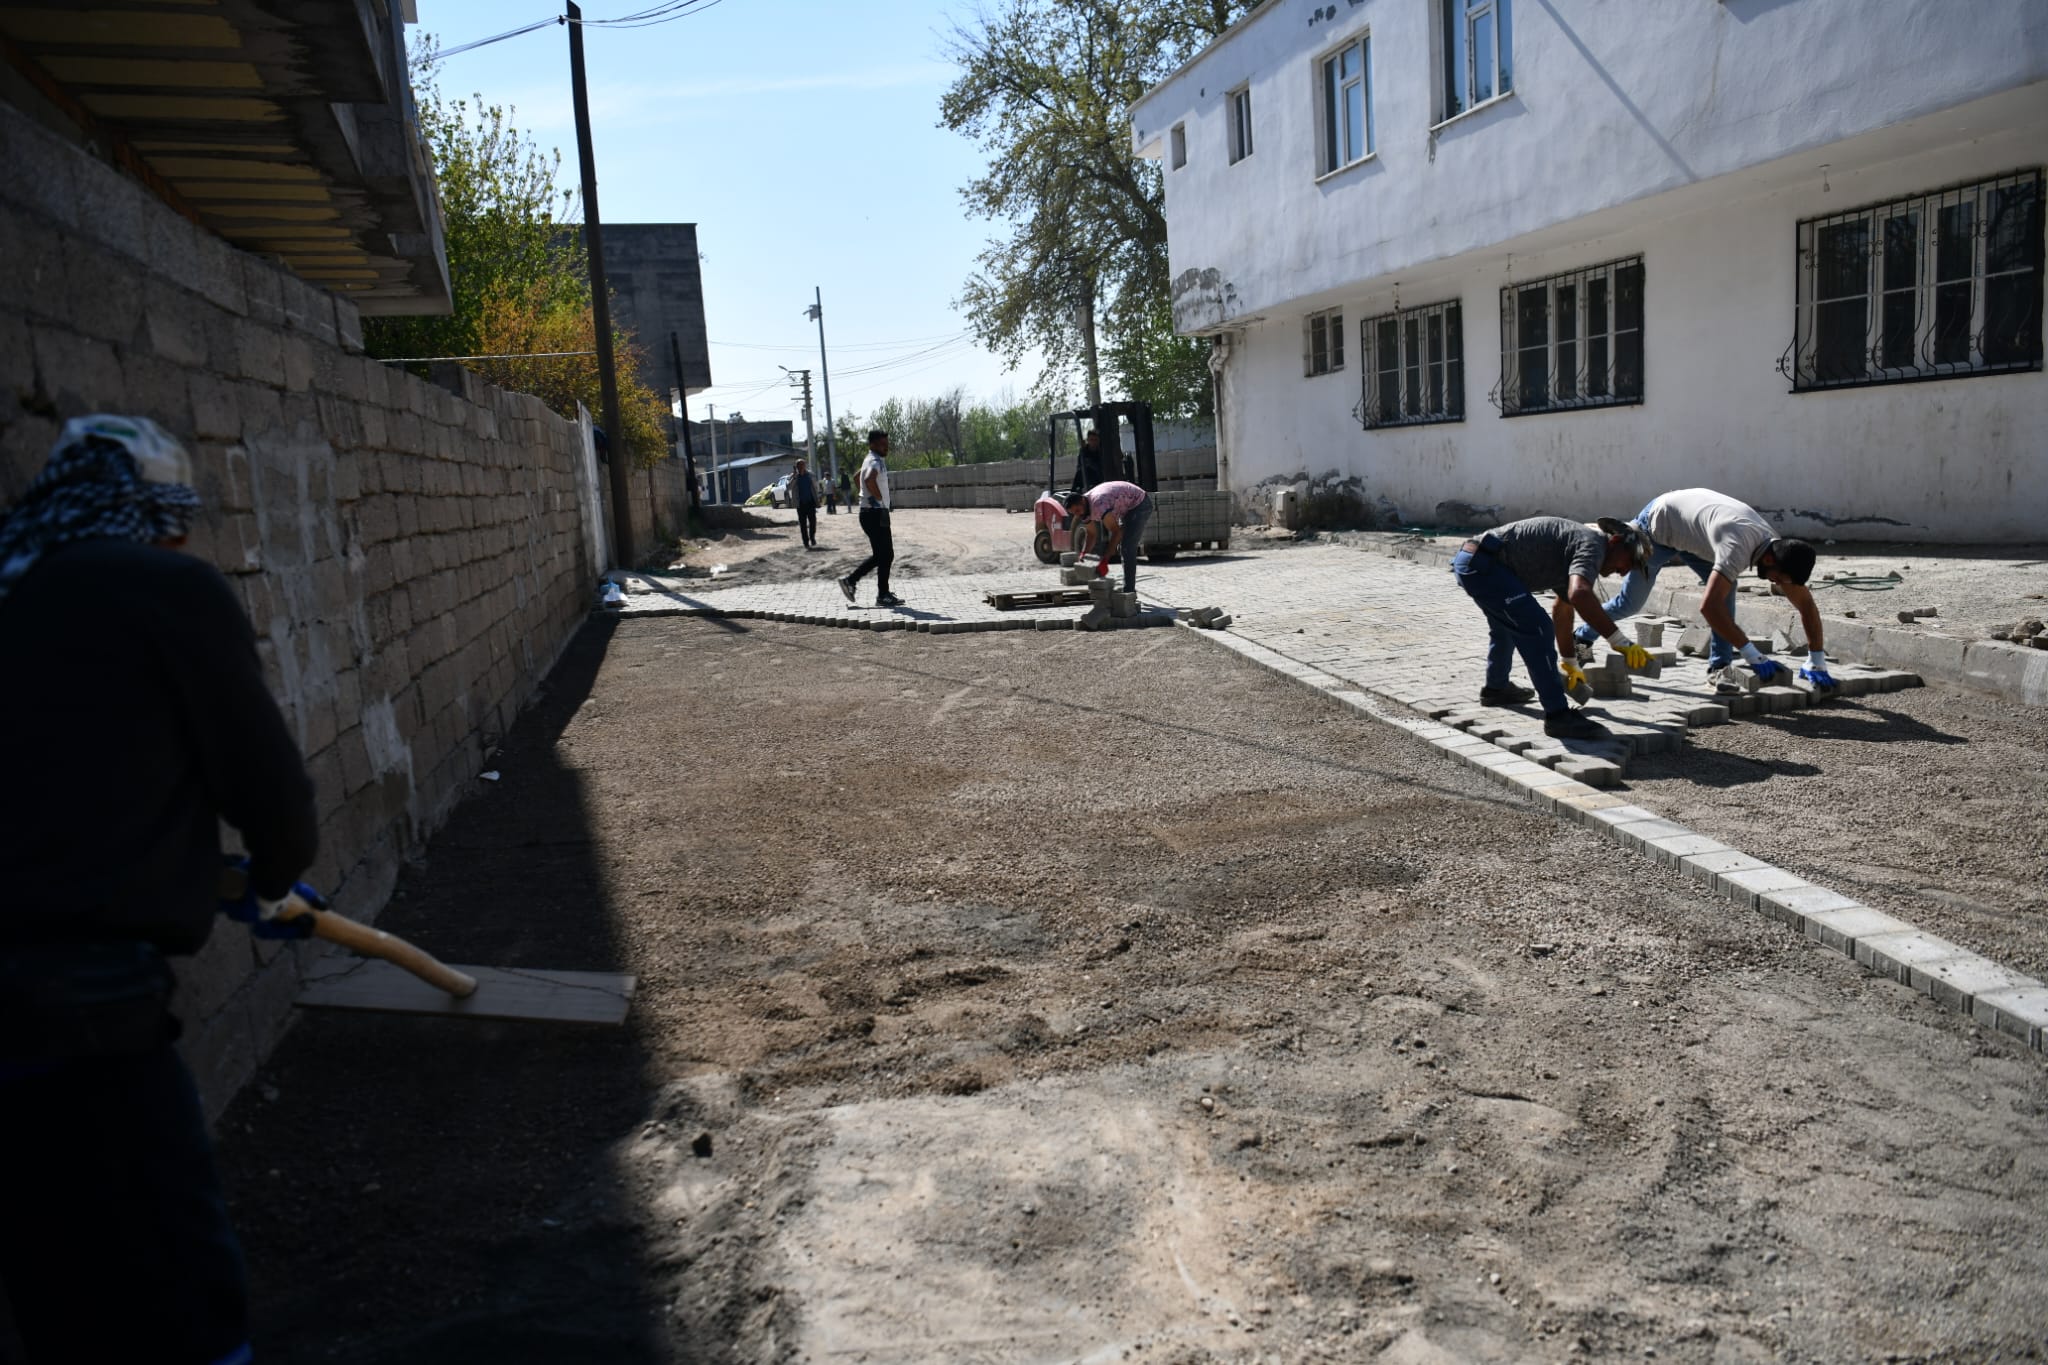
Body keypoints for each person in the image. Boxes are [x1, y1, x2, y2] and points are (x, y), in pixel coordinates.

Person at [0, 415, 321, 1365]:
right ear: (153, 511)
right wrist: (273, 878)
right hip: (89, 999)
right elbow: (267, 789)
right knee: (174, 1257)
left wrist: (195, 874)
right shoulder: (163, 589)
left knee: (51, 1276)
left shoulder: (15, 586)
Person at [1571, 488, 1834, 693]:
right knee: (1630, 603)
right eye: (1780, 579)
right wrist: (1752, 654)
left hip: (1696, 537)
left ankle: (1719, 668)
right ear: (1768, 561)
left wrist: (1817, 659)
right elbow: (1708, 607)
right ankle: (1582, 637)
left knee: (1726, 591)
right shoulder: (1737, 548)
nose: (1778, 584)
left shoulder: (1778, 549)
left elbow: (1806, 605)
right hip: (1657, 527)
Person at [1451, 515, 1656, 740]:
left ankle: (1496, 689)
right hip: (1484, 565)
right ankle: (1558, 716)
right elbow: (1579, 594)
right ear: (1615, 542)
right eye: (1630, 561)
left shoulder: (1577, 549)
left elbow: (1564, 611)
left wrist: (1570, 663)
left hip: (1477, 562)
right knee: (1538, 629)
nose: (1625, 572)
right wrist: (1619, 641)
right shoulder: (1594, 545)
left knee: (1508, 625)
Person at [837, 430, 902, 608]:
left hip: (870, 512)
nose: (886, 447)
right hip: (874, 513)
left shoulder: (870, 459)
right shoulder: (875, 461)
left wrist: (865, 496)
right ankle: (860, 585)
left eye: (887, 444)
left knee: (883, 555)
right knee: (885, 554)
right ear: (872, 444)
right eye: (882, 444)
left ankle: (876, 591)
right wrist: (878, 498)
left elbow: (856, 477)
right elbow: (868, 479)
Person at [1065, 479, 1154, 594]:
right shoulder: (1083, 509)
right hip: (1125, 506)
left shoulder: (1099, 504)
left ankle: (1128, 592)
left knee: (1127, 548)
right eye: (1074, 513)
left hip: (1140, 503)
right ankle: (1128, 587)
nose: (1077, 515)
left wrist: (1105, 560)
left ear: (1082, 501)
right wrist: (1083, 554)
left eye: (1077, 510)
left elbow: (1116, 532)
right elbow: (1091, 534)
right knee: (1123, 547)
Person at [791, 457, 819, 549]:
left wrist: (817, 498)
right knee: (803, 524)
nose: (801, 467)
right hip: (800, 504)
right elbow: (789, 487)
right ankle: (806, 541)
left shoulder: (810, 475)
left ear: (805, 465)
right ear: (796, 467)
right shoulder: (794, 476)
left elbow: (815, 486)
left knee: (813, 522)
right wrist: (794, 477)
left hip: (810, 502)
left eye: (802, 465)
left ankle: (812, 537)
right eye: (799, 465)